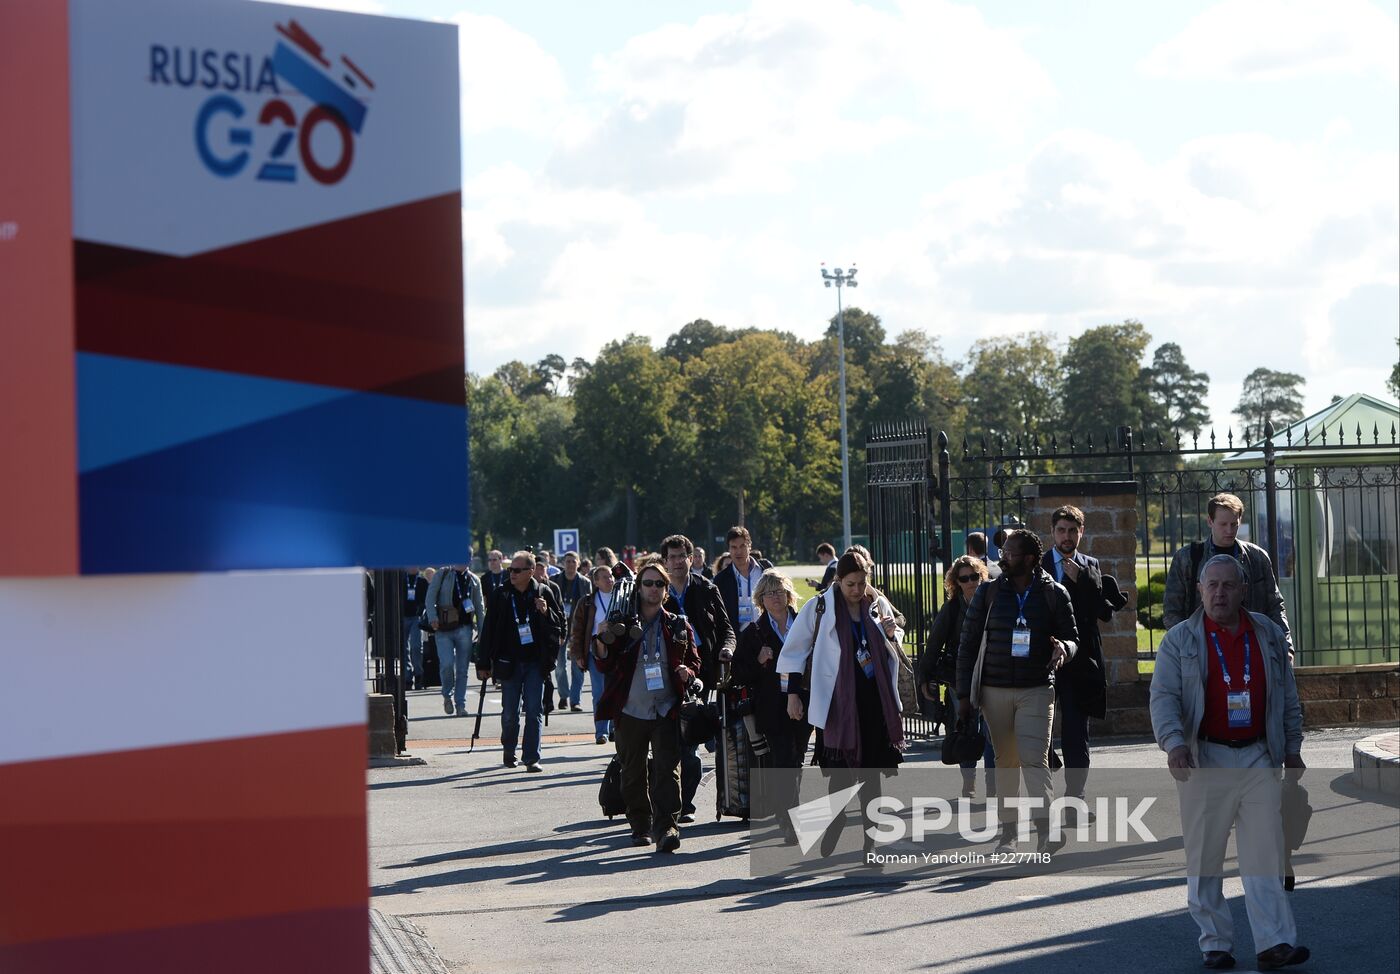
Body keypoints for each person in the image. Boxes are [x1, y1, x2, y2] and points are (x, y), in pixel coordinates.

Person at [1150, 554, 1309, 971]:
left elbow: (1287, 697)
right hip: (1205, 757)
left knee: (1265, 853)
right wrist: (1173, 744)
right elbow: (1164, 697)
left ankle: (1274, 943)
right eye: (1212, 586)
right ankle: (1215, 942)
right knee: (1206, 857)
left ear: (1242, 590)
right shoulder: (1180, 639)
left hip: (1259, 756)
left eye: (1227, 585)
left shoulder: (1268, 634)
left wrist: (1292, 749)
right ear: (1200, 591)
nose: (1219, 593)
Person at [955, 529, 1078, 853]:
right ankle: (1008, 834)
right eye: (1003, 552)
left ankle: (1045, 831)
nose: (1002, 557)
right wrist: (964, 696)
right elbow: (967, 644)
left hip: (1036, 688)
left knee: (1033, 760)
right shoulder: (989, 593)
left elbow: (1073, 637)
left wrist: (1064, 648)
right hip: (994, 690)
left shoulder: (1055, 594)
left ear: (1029, 559)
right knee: (1006, 762)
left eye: (1009, 553)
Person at [777, 551, 905, 856]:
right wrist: (793, 695)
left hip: (874, 703)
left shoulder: (876, 603)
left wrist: (892, 632)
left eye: (862, 583)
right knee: (839, 776)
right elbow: (795, 651)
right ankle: (836, 819)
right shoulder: (819, 606)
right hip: (837, 704)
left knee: (872, 778)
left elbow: (896, 630)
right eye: (851, 584)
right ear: (838, 581)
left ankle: (870, 844)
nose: (857, 590)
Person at [592, 561, 703, 851]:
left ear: (666, 590)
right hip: (630, 708)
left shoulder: (678, 623)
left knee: (668, 769)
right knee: (632, 771)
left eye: (659, 584)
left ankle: (667, 828)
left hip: (666, 707)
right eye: (648, 583)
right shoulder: (624, 624)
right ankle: (640, 825)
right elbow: (604, 664)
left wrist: (687, 673)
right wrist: (602, 640)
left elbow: (694, 661)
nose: (653, 589)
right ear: (639, 588)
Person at [659, 534, 736, 821]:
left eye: (683, 556)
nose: (678, 562)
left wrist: (727, 648)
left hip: (697, 677)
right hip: (662, 676)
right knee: (668, 744)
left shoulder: (706, 589)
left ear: (692, 558)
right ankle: (665, 801)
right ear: (665, 561)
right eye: (673, 557)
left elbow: (727, 628)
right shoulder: (655, 589)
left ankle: (684, 804)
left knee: (688, 743)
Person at [1043, 505, 1115, 809]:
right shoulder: (1039, 564)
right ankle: (1041, 797)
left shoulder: (1090, 564)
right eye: (1062, 530)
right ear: (1053, 532)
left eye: (1073, 531)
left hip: (1079, 660)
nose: (1067, 537)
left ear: (1081, 532)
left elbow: (1103, 614)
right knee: (1038, 732)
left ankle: (1075, 797)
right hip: (1043, 660)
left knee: (1076, 731)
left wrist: (1083, 580)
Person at [1163, 493, 1291, 656]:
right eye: (1223, 524)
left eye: (1234, 524)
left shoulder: (1257, 558)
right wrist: (1188, 644)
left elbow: (1275, 606)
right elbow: (1171, 610)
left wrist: (1286, 647)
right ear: (1210, 521)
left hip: (1251, 645)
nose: (1229, 530)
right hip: (1203, 648)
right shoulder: (1187, 558)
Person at [732, 569, 807, 840]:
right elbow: (737, 674)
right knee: (783, 759)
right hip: (772, 707)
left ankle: (785, 811)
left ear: (789, 595)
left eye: (779, 591)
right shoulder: (753, 633)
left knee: (796, 759)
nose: (775, 597)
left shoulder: (804, 624)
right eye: (769, 593)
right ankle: (789, 821)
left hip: (803, 704)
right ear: (760, 599)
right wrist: (758, 660)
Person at [477, 551, 565, 772]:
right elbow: (488, 630)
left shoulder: (544, 592)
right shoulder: (501, 594)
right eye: (511, 570)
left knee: (534, 710)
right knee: (510, 713)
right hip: (509, 661)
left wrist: (546, 614)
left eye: (517, 570)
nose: (512, 574)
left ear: (531, 571)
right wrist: (483, 663)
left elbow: (559, 627)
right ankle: (509, 748)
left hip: (536, 662)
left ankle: (532, 757)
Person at [919, 555, 995, 798]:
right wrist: (924, 679)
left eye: (976, 576)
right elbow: (933, 646)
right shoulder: (951, 609)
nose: (972, 582)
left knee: (993, 731)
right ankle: (969, 782)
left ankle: (993, 785)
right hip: (960, 678)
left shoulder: (994, 602)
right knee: (967, 728)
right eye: (965, 578)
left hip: (993, 675)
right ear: (957, 582)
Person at [425, 562, 485, 716]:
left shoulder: (473, 580)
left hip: (465, 628)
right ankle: (447, 695)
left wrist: (483, 632)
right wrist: (432, 617)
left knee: (462, 669)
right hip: (443, 627)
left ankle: (460, 704)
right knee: (446, 664)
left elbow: (479, 606)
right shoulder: (443, 574)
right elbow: (430, 597)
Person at [569, 565, 617, 744]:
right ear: (595, 582)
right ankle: (601, 732)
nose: (609, 579)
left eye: (611, 576)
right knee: (599, 692)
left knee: (616, 690)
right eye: (604, 577)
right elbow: (578, 630)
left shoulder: (622, 597)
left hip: (617, 650)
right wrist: (578, 654)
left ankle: (614, 728)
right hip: (595, 649)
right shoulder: (587, 602)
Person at [715, 526, 774, 634]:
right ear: (729, 549)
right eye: (734, 547)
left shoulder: (765, 570)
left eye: (742, 546)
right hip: (739, 640)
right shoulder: (721, 580)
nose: (738, 551)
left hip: (767, 634)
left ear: (750, 546)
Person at [555, 551, 592, 712]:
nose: (570, 564)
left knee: (578, 666)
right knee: (560, 666)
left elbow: (589, 606)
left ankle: (575, 701)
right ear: (563, 563)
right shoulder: (555, 581)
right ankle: (564, 695)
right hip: (560, 628)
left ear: (578, 564)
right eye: (568, 561)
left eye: (573, 561)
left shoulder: (584, 582)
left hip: (578, 629)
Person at [401, 568, 429, 690]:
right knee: (403, 648)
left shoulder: (422, 581)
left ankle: (419, 674)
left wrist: (421, 609)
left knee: (416, 646)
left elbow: (426, 599)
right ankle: (407, 677)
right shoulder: (401, 580)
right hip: (403, 617)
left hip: (416, 617)